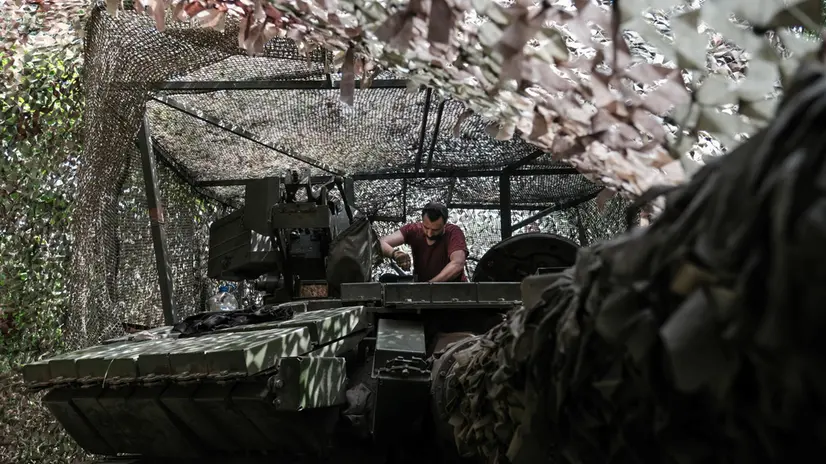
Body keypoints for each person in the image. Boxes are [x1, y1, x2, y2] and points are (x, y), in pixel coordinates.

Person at [378, 202, 469, 282]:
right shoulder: (413, 230)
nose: (429, 233)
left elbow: (457, 264)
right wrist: (396, 254)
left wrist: (430, 285)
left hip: (453, 290)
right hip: (422, 288)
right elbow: (380, 243)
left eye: (435, 230)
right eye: (426, 227)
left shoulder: (453, 232)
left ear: (444, 224)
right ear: (422, 221)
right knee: (386, 279)